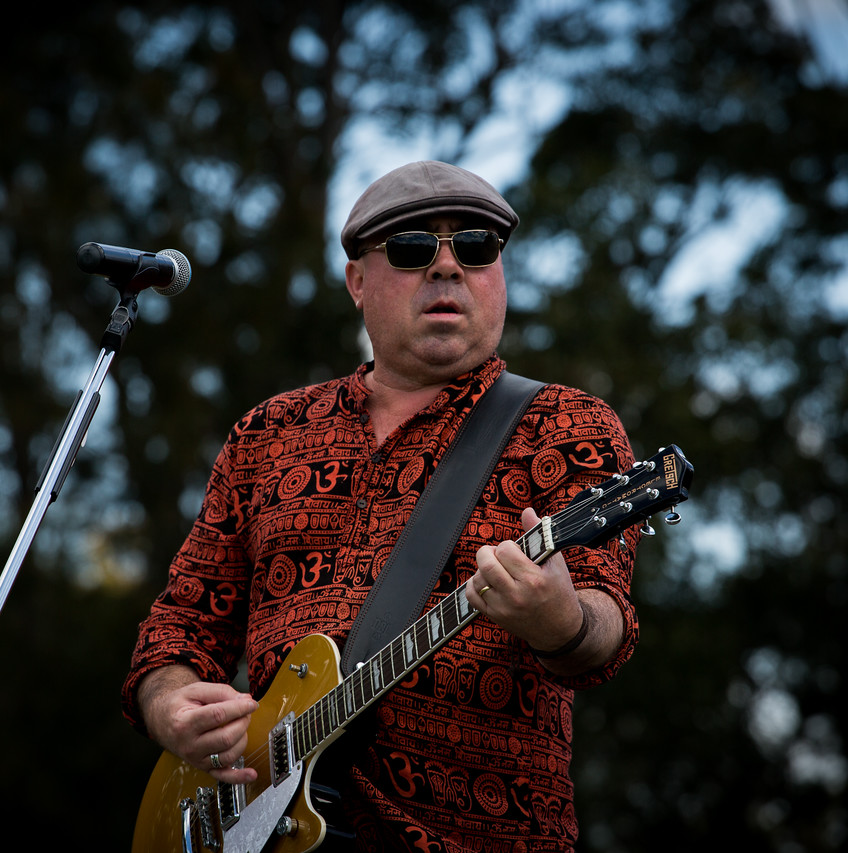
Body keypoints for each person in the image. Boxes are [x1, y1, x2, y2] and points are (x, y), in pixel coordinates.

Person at [122, 160, 640, 852]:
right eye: (412, 248)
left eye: (475, 247)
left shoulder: (564, 426)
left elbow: (606, 624)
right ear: (357, 281)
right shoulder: (268, 433)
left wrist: (563, 621)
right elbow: (180, 624)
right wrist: (169, 704)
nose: (447, 266)